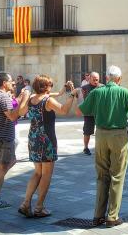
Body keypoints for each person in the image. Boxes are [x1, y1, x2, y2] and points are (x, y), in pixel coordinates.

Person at [79, 65, 128, 228]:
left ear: (107, 78)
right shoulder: (123, 92)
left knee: (102, 175)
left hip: (100, 135)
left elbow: (82, 110)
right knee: (117, 175)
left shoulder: (96, 92)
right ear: (119, 79)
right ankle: (112, 216)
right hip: (118, 136)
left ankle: (98, 216)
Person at [17, 76, 77, 218]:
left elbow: (20, 112)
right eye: (50, 85)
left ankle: (25, 204)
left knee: (37, 172)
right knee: (46, 174)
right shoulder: (47, 100)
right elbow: (63, 110)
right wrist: (72, 95)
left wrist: (64, 90)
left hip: (33, 138)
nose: (51, 87)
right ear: (46, 87)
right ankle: (39, 207)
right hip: (46, 139)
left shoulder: (32, 98)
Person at [0, 72, 30, 208]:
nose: (13, 83)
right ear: (4, 83)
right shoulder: (3, 97)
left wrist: (19, 99)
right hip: (3, 138)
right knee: (2, 167)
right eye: (11, 81)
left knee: (10, 161)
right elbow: (13, 116)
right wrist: (25, 98)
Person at [74, 72, 102, 156]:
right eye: (93, 79)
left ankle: (100, 148)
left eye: (96, 79)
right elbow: (78, 97)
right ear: (89, 79)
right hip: (88, 113)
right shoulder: (84, 88)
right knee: (87, 132)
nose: (95, 81)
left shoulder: (102, 87)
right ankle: (86, 147)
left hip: (100, 113)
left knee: (101, 131)